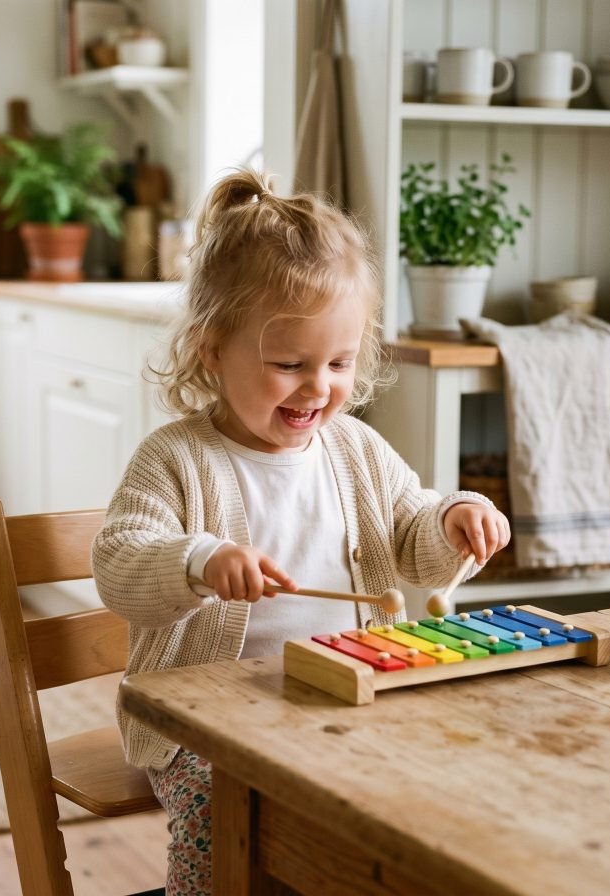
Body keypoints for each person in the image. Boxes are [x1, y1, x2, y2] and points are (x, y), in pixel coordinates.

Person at [91, 168, 509, 895]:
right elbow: (120, 563)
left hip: (350, 694)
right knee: (229, 814)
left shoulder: (355, 450)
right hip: (208, 725)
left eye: (339, 363)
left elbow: (413, 531)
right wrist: (199, 561)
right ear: (212, 349)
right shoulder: (176, 459)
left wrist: (453, 519)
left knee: (440, 786)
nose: (318, 387)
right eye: (289, 365)